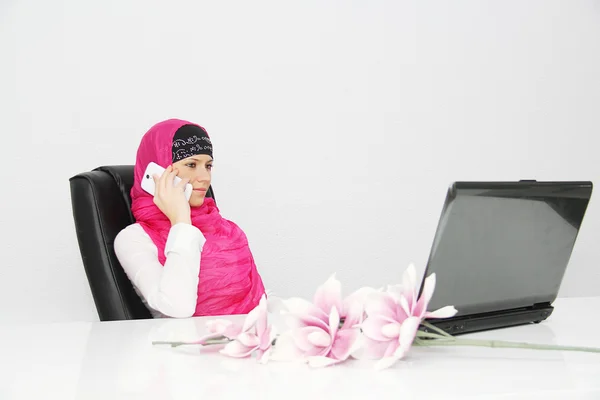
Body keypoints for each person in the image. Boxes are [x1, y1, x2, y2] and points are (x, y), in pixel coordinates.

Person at [114, 118, 266, 318]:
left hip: (247, 343)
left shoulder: (227, 231)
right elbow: (178, 308)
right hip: (184, 347)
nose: (205, 177)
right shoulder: (133, 239)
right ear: (158, 170)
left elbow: (258, 302)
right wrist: (181, 221)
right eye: (192, 164)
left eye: (208, 166)